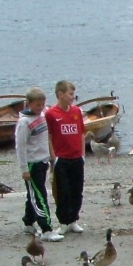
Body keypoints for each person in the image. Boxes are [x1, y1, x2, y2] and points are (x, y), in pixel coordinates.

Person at [15, 87, 64, 242]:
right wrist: (24, 169)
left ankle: (28, 222)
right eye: (37, 105)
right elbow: (20, 147)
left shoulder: (43, 115)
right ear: (28, 104)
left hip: (43, 161)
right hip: (31, 164)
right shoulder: (24, 123)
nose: (41, 107)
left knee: (33, 195)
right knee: (40, 196)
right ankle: (46, 228)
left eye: (42, 104)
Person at [44, 80, 86, 235]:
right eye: (70, 94)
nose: (72, 97)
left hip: (76, 158)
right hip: (61, 159)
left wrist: (82, 154)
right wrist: (53, 157)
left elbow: (81, 133)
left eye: (73, 94)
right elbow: (48, 136)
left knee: (77, 191)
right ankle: (63, 221)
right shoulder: (51, 114)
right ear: (60, 94)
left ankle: (73, 220)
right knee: (63, 192)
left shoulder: (76, 111)